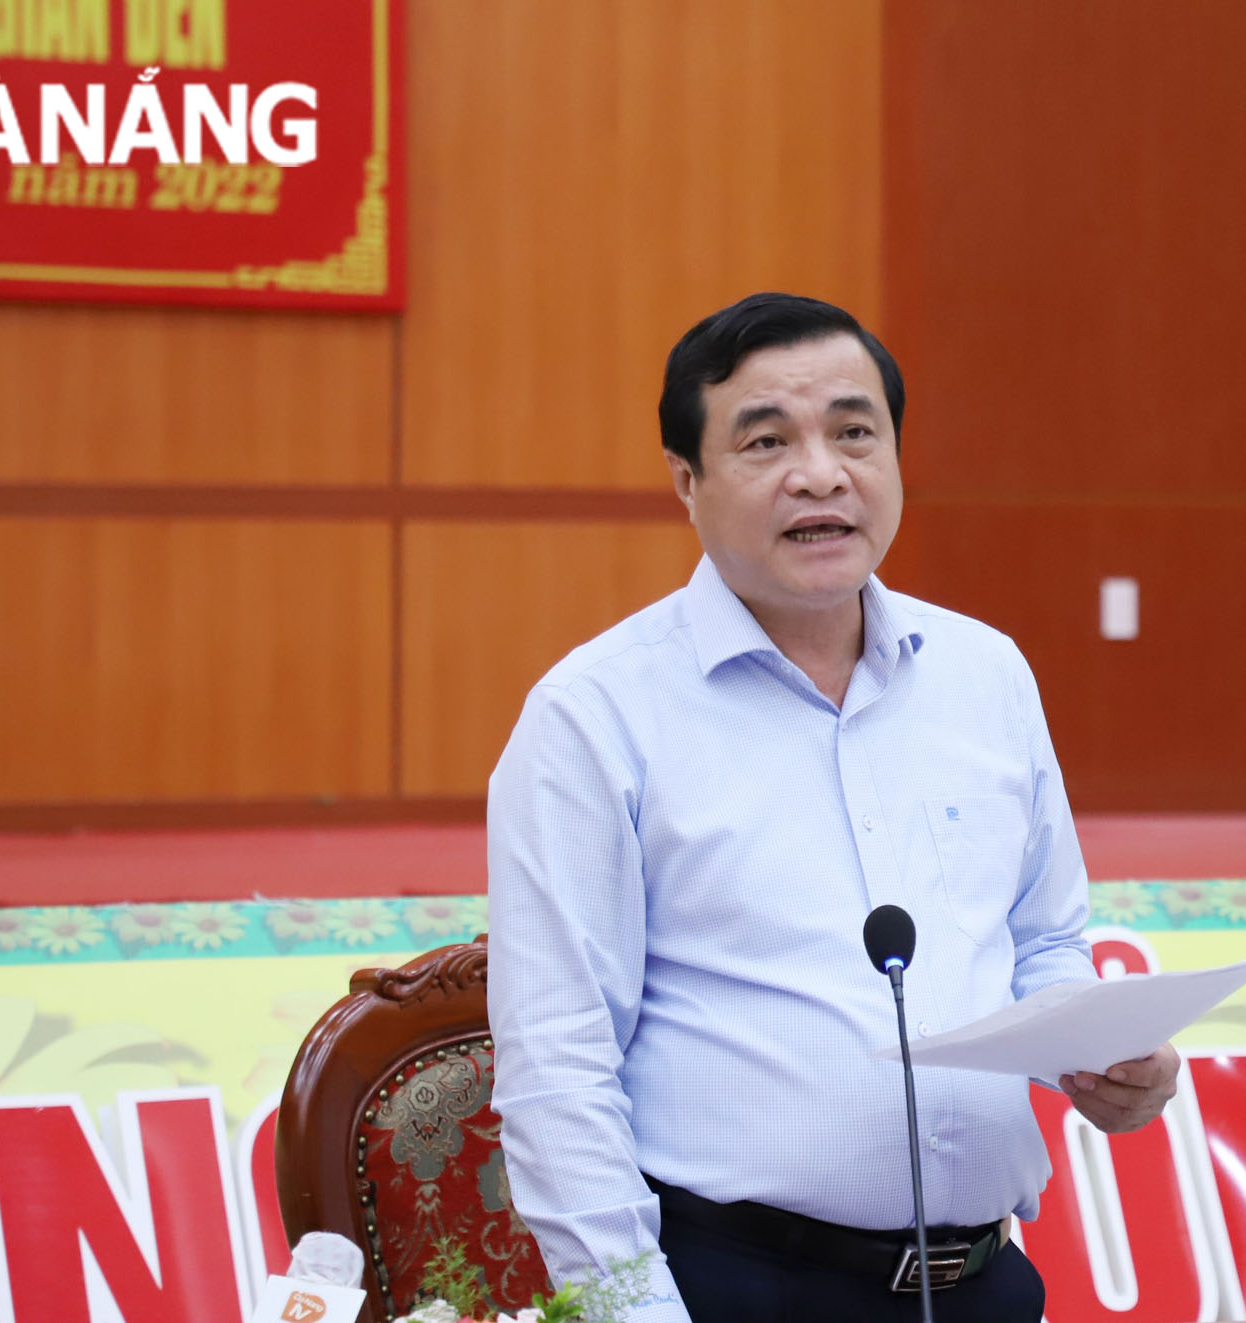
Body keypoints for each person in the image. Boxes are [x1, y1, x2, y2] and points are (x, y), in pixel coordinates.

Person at [487, 292, 1180, 1322]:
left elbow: (1043, 942)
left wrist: (1100, 1053)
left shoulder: (984, 675)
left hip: (985, 1285)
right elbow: (558, 1067)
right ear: (687, 482)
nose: (821, 473)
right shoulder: (595, 717)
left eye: (855, 433)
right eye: (765, 442)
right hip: (736, 1288)